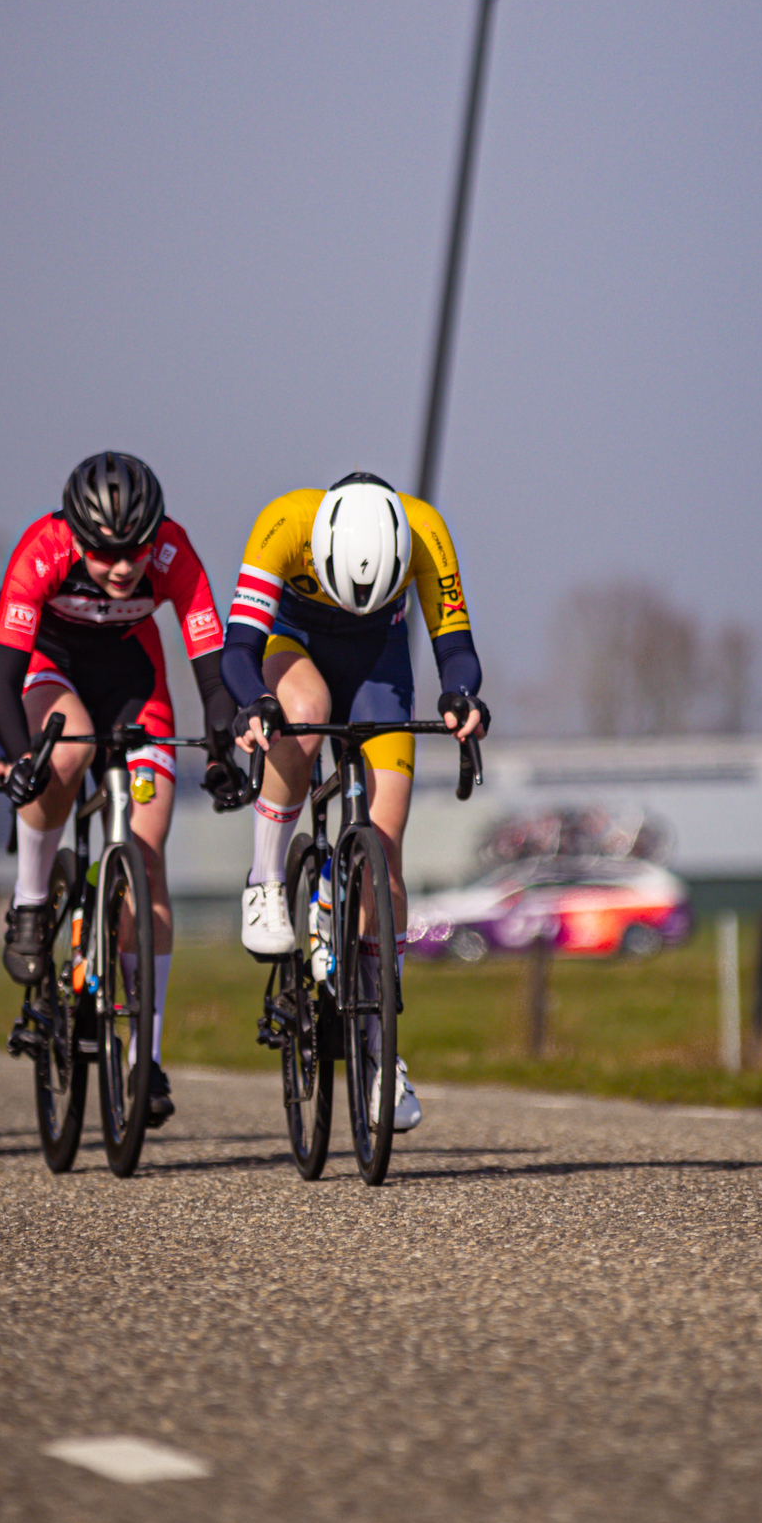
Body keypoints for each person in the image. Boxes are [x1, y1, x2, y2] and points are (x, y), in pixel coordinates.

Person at [221, 472, 489, 1135]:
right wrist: (254, 704)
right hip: (295, 649)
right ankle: (265, 878)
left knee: (385, 848)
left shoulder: (425, 531)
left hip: (379, 664)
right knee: (304, 715)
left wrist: (461, 698)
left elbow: (455, 649)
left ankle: (379, 1050)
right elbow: (239, 649)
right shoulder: (283, 523)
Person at [0, 453, 239, 1131]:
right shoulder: (40, 551)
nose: (123, 566)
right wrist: (17, 759)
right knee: (63, 751)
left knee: (147, 855)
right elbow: (2, 677)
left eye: (135, 549)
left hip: (134, 676)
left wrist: (223, 740)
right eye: (103, 552)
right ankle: (33, 901)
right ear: (75, 534)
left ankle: (145, 1057)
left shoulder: (174, 552)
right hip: (52, 668)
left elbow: (213, 677)